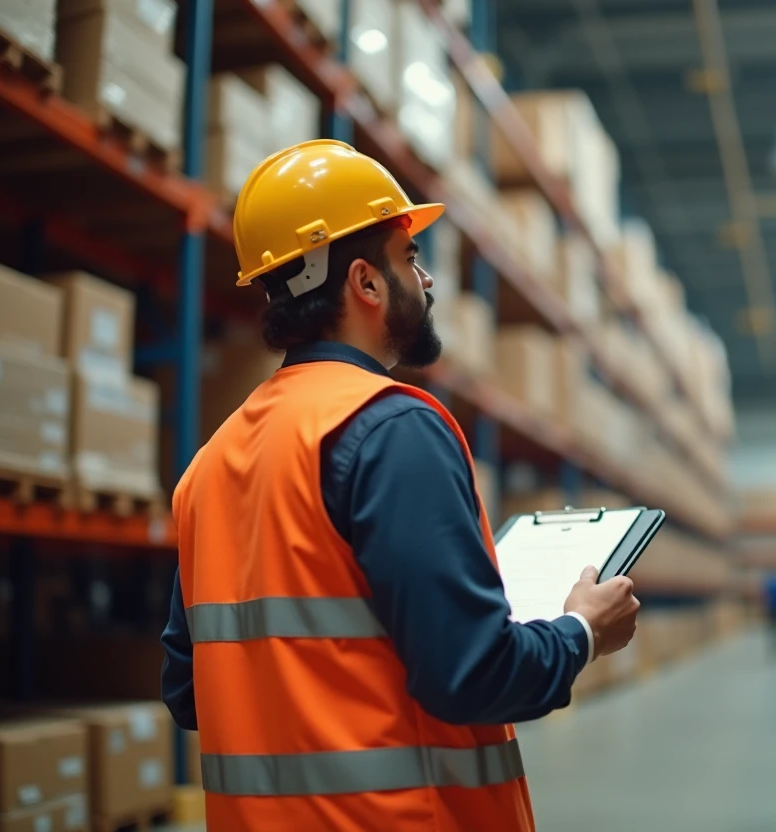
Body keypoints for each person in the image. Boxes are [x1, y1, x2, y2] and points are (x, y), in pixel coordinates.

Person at [159, 140, 642, 832]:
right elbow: (472, 674)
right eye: (411, 258)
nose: (428, 281)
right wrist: (581, 631)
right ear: (366, 282)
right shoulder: (390, 429)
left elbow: (189, 690)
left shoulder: (211, 462)